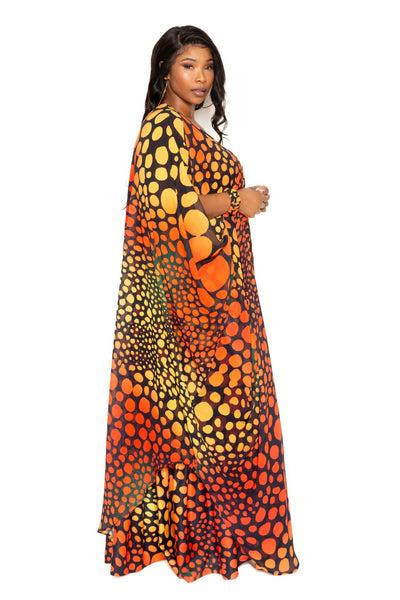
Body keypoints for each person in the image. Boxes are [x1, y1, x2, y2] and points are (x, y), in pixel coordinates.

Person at [98, 25, 300, 583]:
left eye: (208, 66)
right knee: (205, 420)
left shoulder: (189, 130)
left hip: (221, 299)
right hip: (190, 310)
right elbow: (170, 205)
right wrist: (238, 199)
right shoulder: (162, 126)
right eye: (189, 65)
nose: (202, 77)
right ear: (165, 69)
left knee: (219, 419)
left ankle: (213, 542)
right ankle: (198, 544)